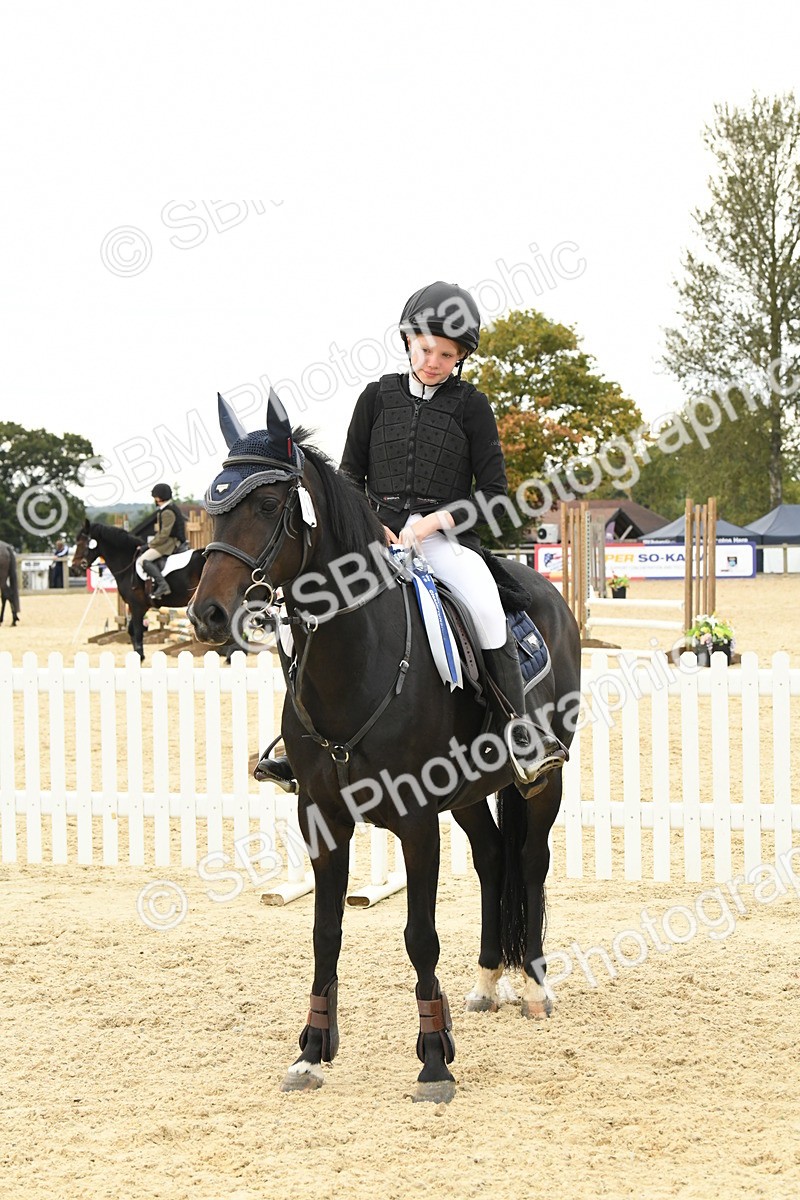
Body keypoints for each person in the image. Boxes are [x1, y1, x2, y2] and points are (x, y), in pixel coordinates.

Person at [258, 281, 566, 795]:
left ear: (461, 357)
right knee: (304, 610)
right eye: (425, 349)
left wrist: (432, 523)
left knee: (486, 608)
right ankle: (299, 740)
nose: (433, 362)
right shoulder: (375, 397)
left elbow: (494, 494)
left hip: (442, 543)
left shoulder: (472, 406)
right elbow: (348, 477)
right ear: (408, 341)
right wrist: (368, 523)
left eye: (447, 355)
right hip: (374, 540)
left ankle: (520, 733)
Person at [139, 483, 187, 600]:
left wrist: (149, 545)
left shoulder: (167, 512)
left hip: (170, 543)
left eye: (155, 497)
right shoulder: (168, 508)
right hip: (169, 541)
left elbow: (164, 534)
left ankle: (163, 585)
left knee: (143, 560)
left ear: (159, 498)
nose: (154, 499)